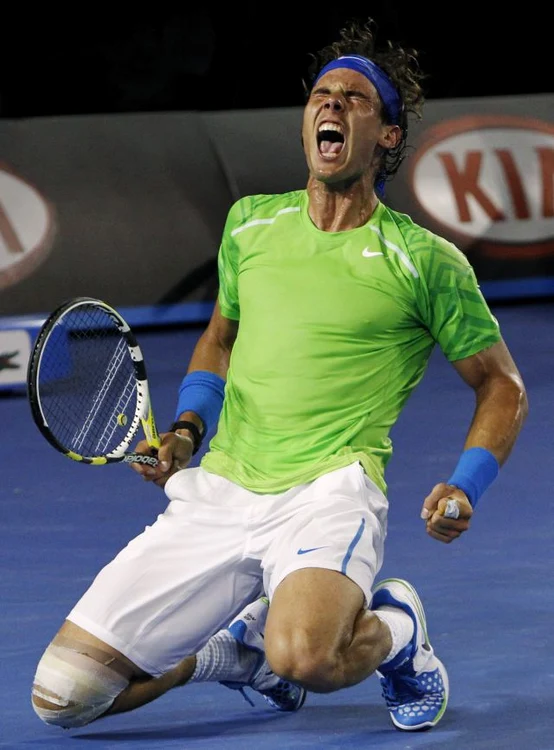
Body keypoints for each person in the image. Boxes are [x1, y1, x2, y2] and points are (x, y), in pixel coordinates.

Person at [31, 16, 528, 735]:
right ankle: (237, 658)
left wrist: (466, 483)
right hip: (223, 490)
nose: (331, 104)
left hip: (329, 492)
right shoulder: (250, 226)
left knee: (308, 657)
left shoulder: (424, 260)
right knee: (66, 695)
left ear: (387, 135)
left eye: (355, 98)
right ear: (305, 125)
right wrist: (187, 428)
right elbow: (220, 340)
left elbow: (501, 385)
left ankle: (397, 632)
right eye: (322, 95)